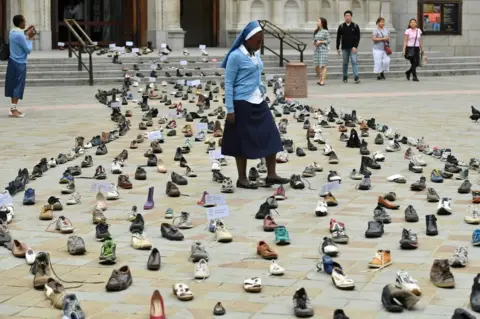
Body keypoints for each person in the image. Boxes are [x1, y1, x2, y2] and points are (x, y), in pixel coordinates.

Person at [221, 20, 289, 189]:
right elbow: (229, 83)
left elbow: (258, 74)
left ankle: (271, 174)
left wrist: (261, 89)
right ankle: (242, 178)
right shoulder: (235, 56)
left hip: (258, 99)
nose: (260, 44)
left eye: (262, 40)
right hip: (241, 102)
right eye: (258, 40)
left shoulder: (255, 54)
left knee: (271, 133)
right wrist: (230, 109)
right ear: (247, 39)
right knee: (241, 139)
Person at [5, 15, 34, 118]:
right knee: (18, 85)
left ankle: (13, 108)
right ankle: (13, 110)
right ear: (20, 23)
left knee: (13, 84)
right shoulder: (20, 35)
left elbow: (19, 35)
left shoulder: (12, 32)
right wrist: (30, 38)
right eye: (24, 21)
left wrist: (26, 31)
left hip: (12, 61)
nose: (25, 23)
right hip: (20, 63)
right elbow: (28, 50)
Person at [336, 10, 361, 83]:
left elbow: (358, 37)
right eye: (346, 16)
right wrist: (337, 47)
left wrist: (355, 46)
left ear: (351, 17)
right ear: (344, 17)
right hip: (344, 48)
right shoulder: (341, 26)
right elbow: (338, 37)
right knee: (345, 62)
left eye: (349, 16)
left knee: (354, 61)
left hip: (352, 48)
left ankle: (356, 76)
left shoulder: (355, 26)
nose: (347, 17)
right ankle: (345, 76)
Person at [313, 17, 330, 86]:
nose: (317, 23)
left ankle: (322, 81)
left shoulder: (326, 31)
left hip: (323, 50)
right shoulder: (316, 31)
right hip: (316, 50)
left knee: (323, 65)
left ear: (322, 23)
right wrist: (314, 43)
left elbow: (328, 40)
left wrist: (321, 41)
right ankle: (320, 78)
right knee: (316, 66)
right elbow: (314, 39)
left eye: (318, 21)